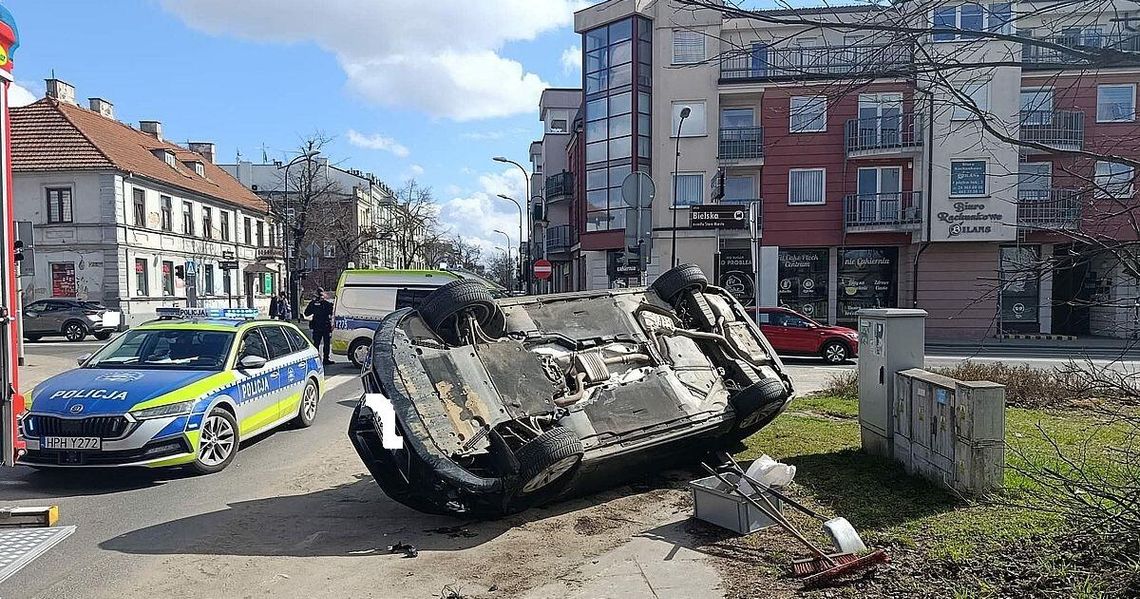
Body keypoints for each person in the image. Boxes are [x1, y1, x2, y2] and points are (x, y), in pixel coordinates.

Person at [304, 288, 335, 365]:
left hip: (316, 326)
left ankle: (316, 359)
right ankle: (325, 359)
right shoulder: (326, 304)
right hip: (325, 326)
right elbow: (332, 312)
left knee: (316, 343)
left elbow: (307, 313)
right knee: (326, 343)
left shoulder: (313, 303)